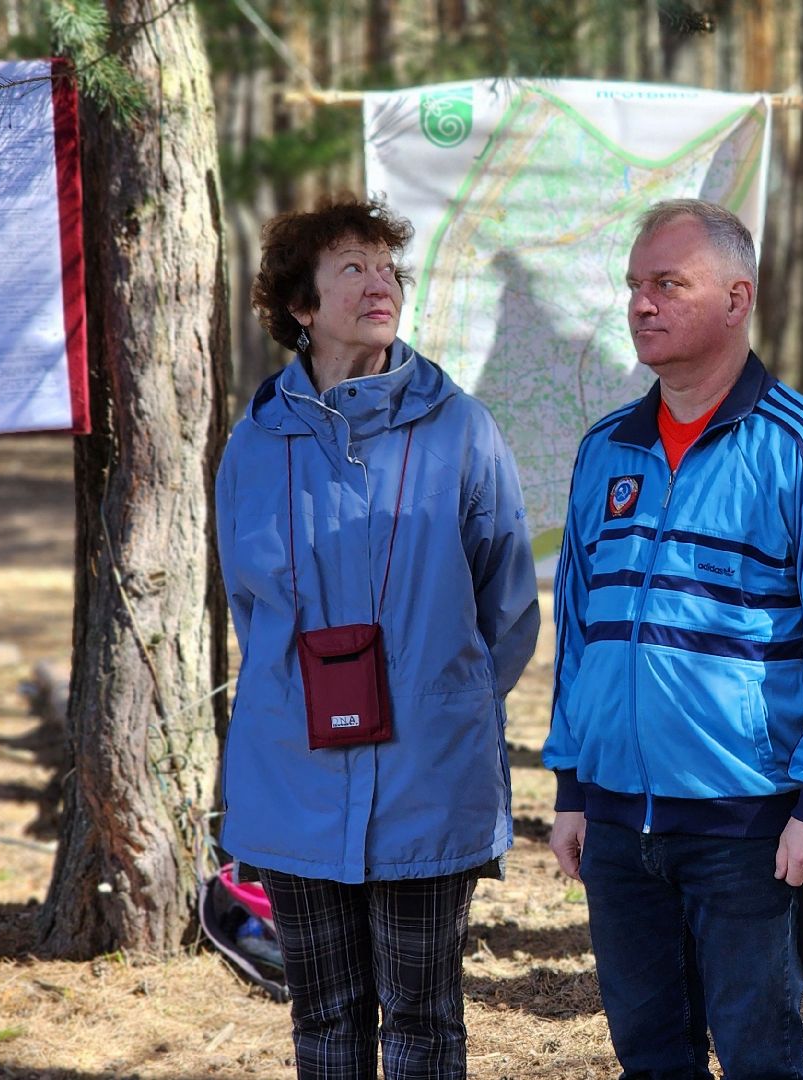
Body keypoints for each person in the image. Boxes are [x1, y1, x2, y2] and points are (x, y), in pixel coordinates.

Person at [542, 198, 803, 1079]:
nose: (642, 305)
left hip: (746, 820)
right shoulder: (604, 449)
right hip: (618, 820)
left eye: (668, 284)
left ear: (737, 300)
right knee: (650, 1056)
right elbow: (580, 625)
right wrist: (573, 784)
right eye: (634, 286)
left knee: (759, 1056)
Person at [215, 195, 540, 1079]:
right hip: (294, 776)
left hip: (427, 774)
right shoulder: (252, 445)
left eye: (388, 267)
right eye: (351, 268)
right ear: (301, 307)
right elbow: (253, 611)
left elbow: (507, 603)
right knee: (323, 1017)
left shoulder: (461, 427)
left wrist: (444, 696)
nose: (379, 283)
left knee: (426, 1021)